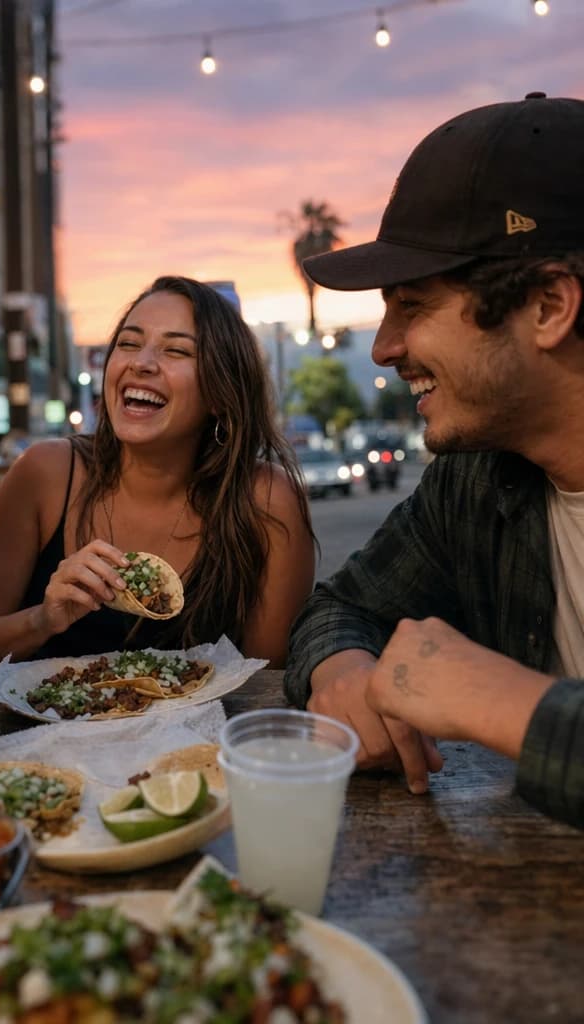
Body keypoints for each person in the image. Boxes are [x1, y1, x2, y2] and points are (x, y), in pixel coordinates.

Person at [283, 93, 584, 829]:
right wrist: (345, 671)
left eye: (413, 306)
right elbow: (339, 607)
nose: (383, 348)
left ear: (549, 306)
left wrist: (503, 701)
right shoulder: (477, 479)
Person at [0, 275, 315, 666]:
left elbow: (268, 680)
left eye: (177, 351)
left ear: (220, 392)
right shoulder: (45, 473)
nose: (141, 363)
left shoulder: (266, 500)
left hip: (207, 728)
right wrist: (43, 619)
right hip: (49, 727)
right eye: (128, 344)